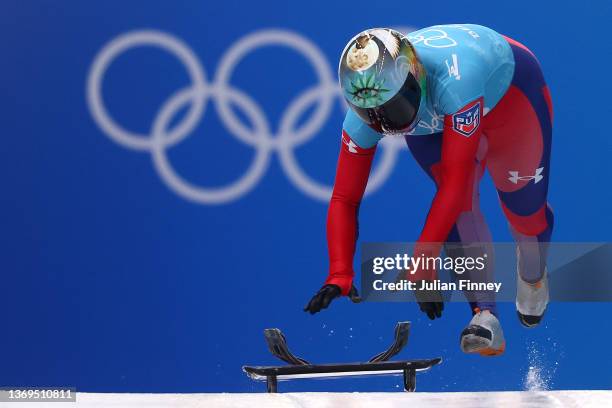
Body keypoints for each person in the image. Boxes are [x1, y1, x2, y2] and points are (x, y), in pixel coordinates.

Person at [304, 25, 554, 357]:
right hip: (435, 116)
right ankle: (485, 314)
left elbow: (454, 180)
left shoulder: (457, 81)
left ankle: (533, 276)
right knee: (460, 205)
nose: (388, 126)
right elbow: (344, 198)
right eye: (372, 117)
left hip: (511, 98)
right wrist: (339, 272)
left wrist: (423, 260)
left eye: (394, 109)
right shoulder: (371, 108)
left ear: (415, 78)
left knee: (526, 216)